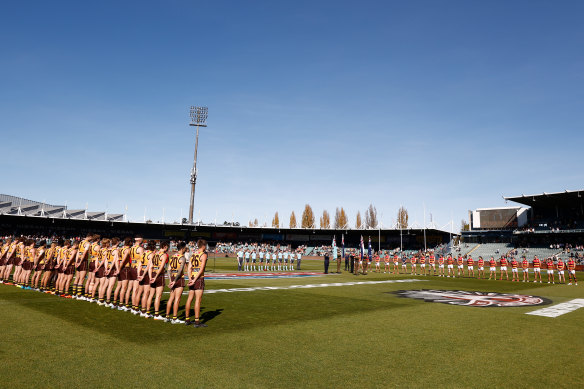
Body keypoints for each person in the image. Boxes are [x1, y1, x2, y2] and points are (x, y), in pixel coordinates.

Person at [185, 239, 209, 327]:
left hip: (192, 277)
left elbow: (189, 268)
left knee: (189, 298)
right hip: (198, 278)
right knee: (198, 300)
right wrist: (194, 279)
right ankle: (197, 321)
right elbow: (201, 269)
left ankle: (187, 319)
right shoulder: (203, 255)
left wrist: (190, 278)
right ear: (203, 246)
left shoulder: (193, 254)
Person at [166, 242, 188, 324]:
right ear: (182, 248)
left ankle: (167, 316)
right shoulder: (182, 258)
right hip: (179, 278)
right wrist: (175, 281)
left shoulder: (173, 256)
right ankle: (174, 318)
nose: (186, 249)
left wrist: (170, 280)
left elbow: (168, 269)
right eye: (185, 248)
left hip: (172, 277)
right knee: (177, 299)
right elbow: (180, 271)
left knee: (171, 298)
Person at [148, 241, 169, 320]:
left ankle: (147, 312)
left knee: (150, 295)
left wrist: (150, 277)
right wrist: (156, 276)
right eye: (167, 247)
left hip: (152, 274)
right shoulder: (164, 255)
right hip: (159, 276)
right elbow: (161, 267)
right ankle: (156, 315)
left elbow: (150, 267)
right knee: (158, 296)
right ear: (164, 246)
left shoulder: (154, 254)